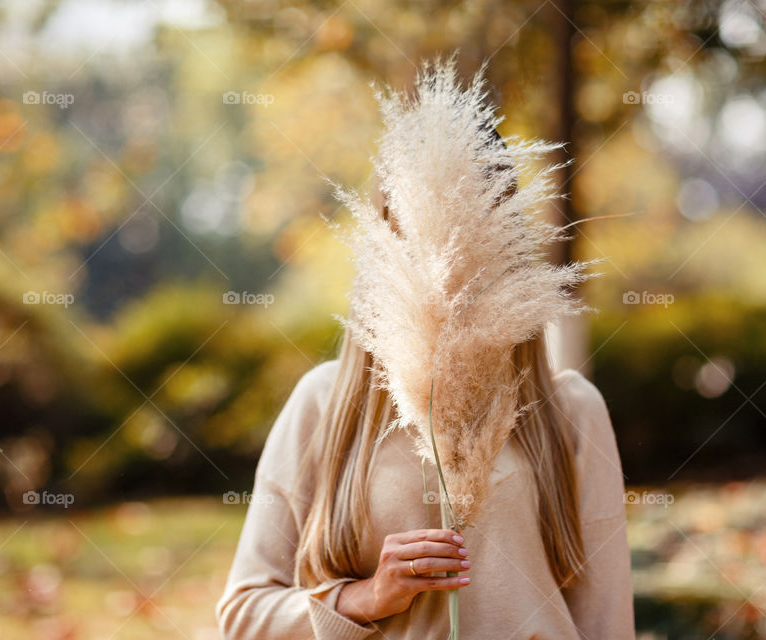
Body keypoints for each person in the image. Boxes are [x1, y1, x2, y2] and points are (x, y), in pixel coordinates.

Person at [216, 60, 634, 640]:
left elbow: (607, 624)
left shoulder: (570, 411)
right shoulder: (323, 403)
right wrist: (365, 598)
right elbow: (243, 616)